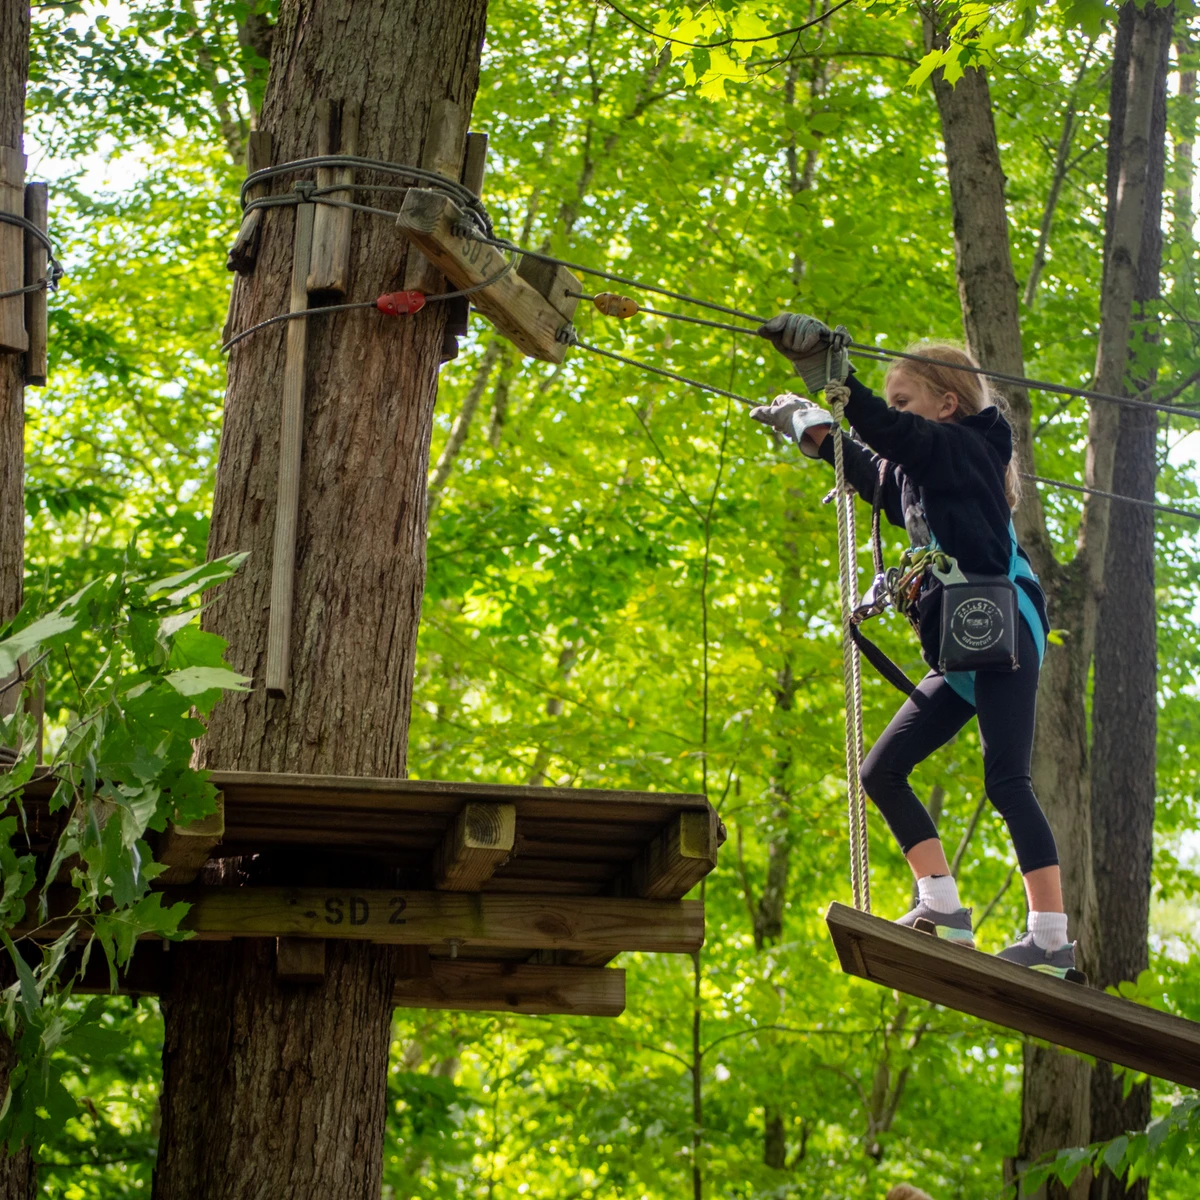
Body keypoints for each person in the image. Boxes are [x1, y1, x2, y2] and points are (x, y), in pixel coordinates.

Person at [752, 313, 1079, 979]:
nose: (895, 412)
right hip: (964, 643)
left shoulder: (966, 448)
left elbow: (894, 435)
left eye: (904, 399)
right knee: (882, 771)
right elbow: (874, 470)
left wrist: (837, 378)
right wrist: (812, 429)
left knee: (1006, 780)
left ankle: (1051, 937)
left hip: (1002, 629)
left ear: (946, 404)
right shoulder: (922, 474)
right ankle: (942, 908)